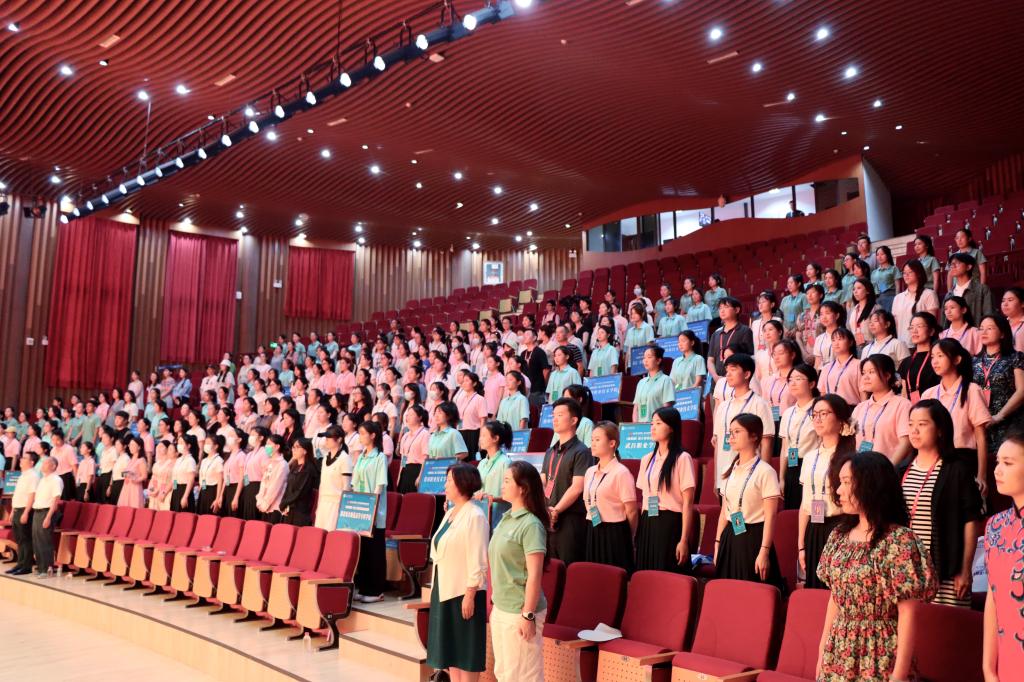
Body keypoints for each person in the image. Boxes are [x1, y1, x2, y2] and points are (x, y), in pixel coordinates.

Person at [815, 450, 936, 681]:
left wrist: (899, 675)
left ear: (870, 485)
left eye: (847, 482)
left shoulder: (900, 541)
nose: (839, 490)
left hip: (880, 654)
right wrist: (822, 652)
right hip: (838, 651)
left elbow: (908, 613)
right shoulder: (838, 536)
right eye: (840, 482)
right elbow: (835, 599)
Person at [897, 400, 984, 608]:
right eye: (911, 424)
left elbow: (971, 520)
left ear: (940, 430)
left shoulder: (957, 469)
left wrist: (965, 569)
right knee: (913, 625)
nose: (914, 430)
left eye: (922, 424)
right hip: (908, 571)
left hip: (947, 569)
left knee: (945, 625)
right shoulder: (902, 471)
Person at [426, 463, 489, 680]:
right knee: (451, 652)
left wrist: (470, 595)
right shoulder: (451, 512)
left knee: (466, 653)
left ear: (462, 484)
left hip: (463, 593)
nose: (445, 485)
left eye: (449, 481)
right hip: (444, 589)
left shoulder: (475, 515)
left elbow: (478, 560)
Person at [488, 461, 548, 682]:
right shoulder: (506, 518)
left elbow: (535, 575)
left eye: (506, 481)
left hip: (520, 611)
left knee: (524, 676)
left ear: (523, 488)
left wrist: (528, 615)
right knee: (504, 674)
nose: (502, 486)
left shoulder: (531, 525)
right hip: (501, 608)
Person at [714, 413, 783, 587]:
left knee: (751, 591)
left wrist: (764, 551)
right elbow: (724, 512)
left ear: (754, 436)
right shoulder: (728, 469)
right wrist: (717, 543)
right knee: (727, 590)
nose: (731, 436)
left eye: (737, 431)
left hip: (753, 538)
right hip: (730, 536)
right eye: (730, 432)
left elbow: (771, 515)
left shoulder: (766, 472)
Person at [799, 394, 854, 589]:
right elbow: (804, 505)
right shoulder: (809, 457)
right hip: (814, 528)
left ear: (840, 420)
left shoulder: (851, 458)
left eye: (824, 413)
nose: (818, 419)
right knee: (815, 590)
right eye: (814, 415)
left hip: (841, 527)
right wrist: (801, 545)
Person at [983, 432, 1024, 680]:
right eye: (998, 461)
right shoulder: (995, 525)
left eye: (1008, 463)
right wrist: (989, 668)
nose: (997, 470)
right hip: (1006, 660)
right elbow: (993, 596)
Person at [925, 339, 992, 490]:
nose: (935, 361)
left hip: (963, 459)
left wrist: (982, 475)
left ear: (957, 359)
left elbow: (980, 437)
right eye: (932, 357)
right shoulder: (928, 394)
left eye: (940, 356)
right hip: (933, 459)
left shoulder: (971, 390)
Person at [636, 408, 695, 573]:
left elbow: (688, 503)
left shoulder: (682, 458)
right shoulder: (646, 459)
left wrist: (684, 540)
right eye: (652, 423)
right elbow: (644, 496)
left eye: (658, 423)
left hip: (669, 524)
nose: (653, 427)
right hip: (648, 521)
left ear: (671, 428)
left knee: (667, 573)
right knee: (646, 574)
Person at [973, 315, 1024, 489]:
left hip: (1008, 422)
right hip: (982, 423)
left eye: (990, 328)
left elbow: (1022, 391)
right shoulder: (974, 361)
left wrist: (1000, 415)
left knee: (1008, 468)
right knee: (984, 475)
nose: (984, 332)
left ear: (1002, 333)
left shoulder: (1015, 357)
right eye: (981, 328)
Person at [541, 398, 593, 565]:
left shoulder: (581, 451)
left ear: (573, 420)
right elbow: (543, 482)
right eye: (553, 415)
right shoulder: (550, 451)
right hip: (549, 517)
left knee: (568, 566)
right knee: (550, 567)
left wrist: (556, 510)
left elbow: (577, 487)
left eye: (560, 415)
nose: (554, 419)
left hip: (570, 519)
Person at [582, 422, 637, 573]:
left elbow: (631, 511)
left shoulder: (621, 472)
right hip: (593, 528)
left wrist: (629, 536)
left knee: (614, 576)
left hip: (615, 532)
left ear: (612, 443)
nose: (593, 443)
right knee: (594, 576)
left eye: (597, 439)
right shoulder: (590, 471)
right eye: (592, 439)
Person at [712, 353, 775, 484]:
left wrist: (763, 478)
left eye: (733, 369)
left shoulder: (760, 404)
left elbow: (766, 443)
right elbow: (718, 443)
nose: (728, 374)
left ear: (746, 374)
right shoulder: (723, 406)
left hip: (749, 476)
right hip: (724, 475)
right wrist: (716, 479)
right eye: (727, 370)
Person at [352, 421, 389, 603]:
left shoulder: (380, 457)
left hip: (373, 511)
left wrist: (371, 507)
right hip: (360, 510)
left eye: (363, 433)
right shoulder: (361, 456)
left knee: (375, 552)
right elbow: (354, 482)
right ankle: (364, 587)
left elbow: (379, 485)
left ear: (373, 435)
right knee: (364, 551)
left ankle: (376, 591)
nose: (360, 436)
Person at [853, 354, 912, 465]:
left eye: (871, 372)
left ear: (887, 375)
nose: (865, 377)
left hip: (888, 469)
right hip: (861, 468)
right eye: (863, 373)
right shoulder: (860, 408)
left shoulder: (902, 405)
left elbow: (905, 442)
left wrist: (889, 468)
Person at [779, 364, 820, 510]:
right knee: (793, 511)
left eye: (798, 379)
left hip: (814, 467)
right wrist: (782, 477)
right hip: (792, 466)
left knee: (813, 512)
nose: (793, 383)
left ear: (812, 384)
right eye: (790, 380)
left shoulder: (819, 410)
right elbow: (785, 447)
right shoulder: (788, 413)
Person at [892, 259, 940, 350]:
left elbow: (932, 322)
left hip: (922, 345)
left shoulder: (929, 294)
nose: (906, 275)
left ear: (918, 273)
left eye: (910, 272)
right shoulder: (897, 298)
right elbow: (896, 324)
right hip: (902, 345)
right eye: (904, 273)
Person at [6, 452, 40, 575]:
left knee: (26, 539)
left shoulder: (33, 476)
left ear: (32, 462)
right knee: (19, 539)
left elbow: (32, 495)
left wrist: (26, 512)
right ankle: (20, 563)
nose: (21, 459)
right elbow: (17, 495)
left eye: (24, 458)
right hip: (17, 509)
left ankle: (27, 566)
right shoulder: (22, 475)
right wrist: (12, 511)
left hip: (25, 510)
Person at [314, 425, 353, 530]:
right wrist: (318, 505)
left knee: (331, 534)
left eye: (329, 437)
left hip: (336, 504)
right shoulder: (325, 458)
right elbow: (322, 484)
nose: (326, 440)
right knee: (319, 534)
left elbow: (346, 487)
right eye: (326, 437)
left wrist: (343, 508)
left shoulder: (345, 458)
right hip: (323, 502)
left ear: (339, 439)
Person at [707, 296, 755, 380]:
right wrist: (715, 376)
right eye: (720, 308)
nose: (722, 310)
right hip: (717, 381)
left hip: (737, 380)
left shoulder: (745, 331)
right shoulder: (716, 334)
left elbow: (749, 357)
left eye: (726, 307)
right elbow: (710, 360)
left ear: (737, 310)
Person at [31, 456, 63, 577]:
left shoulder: (56, 480)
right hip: (37, 511)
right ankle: (40, 567)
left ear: (53, 466)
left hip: (47, 512)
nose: (42, 465)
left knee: (45, 540)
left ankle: (47, 568)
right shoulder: (43, 479)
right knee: (37, 540)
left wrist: (48, 517)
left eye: (45, 463)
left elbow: (55, 500)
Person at [899, 311, 941, 402]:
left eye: (919, 326)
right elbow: (904, 393)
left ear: (931, 331)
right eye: (911, 327)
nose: (914, 331)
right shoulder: (906, 362)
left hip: (935, 407)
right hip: (912, 408)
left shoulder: (938, 359)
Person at [475, 420, 512, 524]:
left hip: (498, 518)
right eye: (480, 435)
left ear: (495, 438)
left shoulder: (506, 462)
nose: (480, 439)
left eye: (484, 435)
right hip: (481, 516)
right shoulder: (482, 463)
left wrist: (492, 498)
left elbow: (511, 494)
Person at [944, 252, 993, 325]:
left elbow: (989, 315)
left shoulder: (982, 290)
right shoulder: (949, 294)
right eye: (951, 264)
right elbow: (944, 322)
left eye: (957, 263)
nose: (953, 266)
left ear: (968, 267)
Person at [281, 437, 319, 526]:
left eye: (297, 447)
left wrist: (284, 503)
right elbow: (288, 487)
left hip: (300, 511)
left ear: (305, 451)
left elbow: (299, 491)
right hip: (289, 507)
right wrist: (284, 503)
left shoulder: (308, 469)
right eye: (293, 447)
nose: (294, 450)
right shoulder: (294, 466)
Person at [633, 345, 676, 422]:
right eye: (644, 358)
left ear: (658, 360)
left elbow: (667, 409)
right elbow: (636, 409)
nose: (645, 360)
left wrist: (656, 424)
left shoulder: (666, 380)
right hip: (641, 427)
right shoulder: (641, 382)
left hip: (657, 425)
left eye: (649, 357)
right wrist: (636, 426)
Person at [821, 328, 861, 406]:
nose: (836, 343)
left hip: (852, 408)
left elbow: (863, 392)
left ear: (850, 342)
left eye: (840, 339)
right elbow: (823, 392)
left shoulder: (859, 364)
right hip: (830, 408)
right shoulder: (826, 367)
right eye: (833, 340)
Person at [255, 434, 288, 522]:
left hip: (275, 506)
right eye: (266, 444)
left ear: (277, 446)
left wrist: (265, 503)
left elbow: (275, 487)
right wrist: (260, 500)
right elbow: (264, 482)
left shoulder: (282, 465)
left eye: (269, 444)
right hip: (264, 505)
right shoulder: (270, 463)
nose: (266, 446)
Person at [397, 406, 429, 494]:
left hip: (417, 470)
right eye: (407, 414)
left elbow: (426, 458)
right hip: (405, 470)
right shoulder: (405, 435)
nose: (407, 417)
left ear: (420, 417)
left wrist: (421, 476)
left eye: (411, 414)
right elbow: (403, 458)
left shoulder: (425, 434)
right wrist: (400, 475)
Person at [240, 427, 270, 519]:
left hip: (257, 486)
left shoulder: (264, 452)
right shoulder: (249, 454)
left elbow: (266, 473)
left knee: (254, 514)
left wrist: (264, 493)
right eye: (250, 435)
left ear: (261, 437)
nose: (251, 437)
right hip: (248, 486)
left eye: (253, 435)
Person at [519, 330, 550, 407]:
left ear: (534, 338)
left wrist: (543, 385)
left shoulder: (540, 352)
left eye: (527, 334)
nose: (525, 336)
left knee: (535, 411)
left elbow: (546, 370)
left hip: (537, 388)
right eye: (524, 335)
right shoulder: (523, 353)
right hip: (525, 388)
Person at [847, 277, 878, 350]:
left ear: (867, 291)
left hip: (872, 347)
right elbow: (848, 329)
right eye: (854, 289)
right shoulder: (852, 310)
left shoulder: (875, 308)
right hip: (855, 347)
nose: (855, 291)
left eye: (859, 288)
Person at [170, 434, 198, 513]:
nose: (179, 445)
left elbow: (191, 479)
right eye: (178, 443)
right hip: (176, 489)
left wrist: (185, 496)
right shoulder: (178, 460)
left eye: (182, 443)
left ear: (188, 445)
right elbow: (174, 478)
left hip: (184, 490)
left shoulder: (190, 460)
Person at [117, 436, 148, 508]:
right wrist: (125, 473)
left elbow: (144, 476)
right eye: (130, 445)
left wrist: (136, 479)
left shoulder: (141, 460)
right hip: (126, 486)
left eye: (133, 445)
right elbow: (124, 473)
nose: (130, 447)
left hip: (135, 487)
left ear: (139, 447)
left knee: (133, 506)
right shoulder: (131, 459)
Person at [813, 302, 845, 370]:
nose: (824, 317)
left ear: (837, 315)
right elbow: (817, 363)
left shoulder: (844, 336)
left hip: (839, 371)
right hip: (822, 373)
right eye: (821, 314)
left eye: (827, 313)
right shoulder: (819, 339)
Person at [871, 245, 899, 312]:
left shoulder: (893, 269)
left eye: (882, 254)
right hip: (878, 299)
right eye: (877, 255)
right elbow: (873, 288)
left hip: (890, 297)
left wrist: (897, 299)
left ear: (888, 255)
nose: (879, 257)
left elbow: (898, 286)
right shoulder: (874, 272)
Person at [1001, 287, 1024, 352]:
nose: (1005, 304)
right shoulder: (1000, 325)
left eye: (1010, 300)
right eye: (1003, 301)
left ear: (1022, 303)